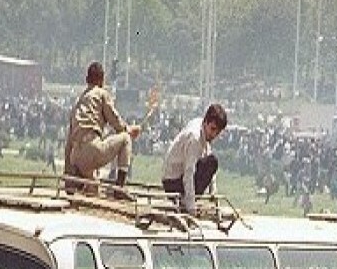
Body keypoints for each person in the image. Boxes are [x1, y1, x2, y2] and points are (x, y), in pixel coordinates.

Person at [64, 61, 142, 190]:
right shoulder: (101, 94)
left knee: (94, 188)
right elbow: (115, 121)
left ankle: (81, 180)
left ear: (86, 79)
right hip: (92, 149)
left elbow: (68, 144)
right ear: (101, 80)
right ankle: (120, 188)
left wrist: (67, 173)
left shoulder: (78, 103)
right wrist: (129, 130)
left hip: (76, 156)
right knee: (125, 139)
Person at [161, 104, 228, 214]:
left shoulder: (200, 125)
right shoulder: (195, 138)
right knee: (212, 162)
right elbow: (189, 172)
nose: (214, 134)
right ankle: (184, 201)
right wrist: (191, 207)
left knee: (211, 162)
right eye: (213, 129)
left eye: (218, 132)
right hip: (173, 182)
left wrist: (213, 190)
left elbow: (207, 153)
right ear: (206, 122)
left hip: (173, 178)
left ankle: (186, 200)